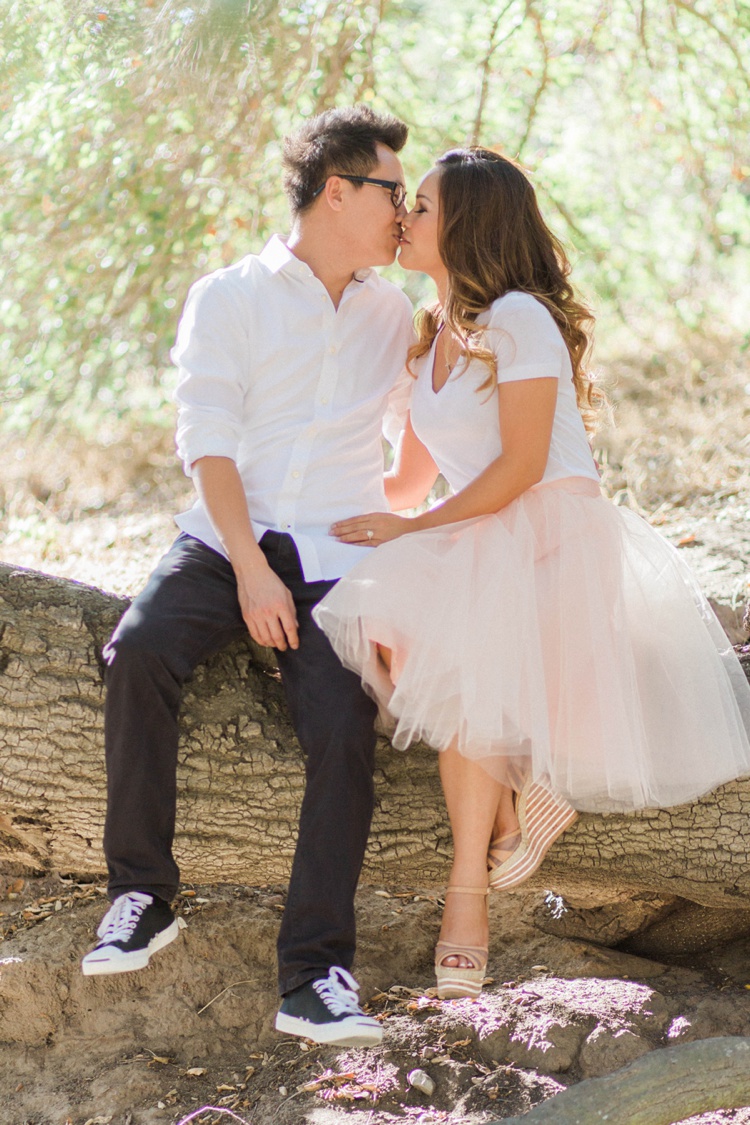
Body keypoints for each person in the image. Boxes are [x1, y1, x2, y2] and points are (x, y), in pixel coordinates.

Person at [313, 147, 750, 1000]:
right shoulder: (430, 335)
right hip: (479, 534)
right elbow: (405, 479)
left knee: (459, 655)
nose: (405, 217)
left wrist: (413, 528)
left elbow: (517, 467)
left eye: (425, 206)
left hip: (549, 534)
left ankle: (464, 904)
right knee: (399, 628)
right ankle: (517, 811)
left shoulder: (519, 318)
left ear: (468, 224)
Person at [81, 105, 417, 1048]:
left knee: (346, 724)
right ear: (338, 192)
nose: (405, 211)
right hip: (226, 534)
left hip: (337, 552)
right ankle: (142, 893)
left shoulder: (395, 316)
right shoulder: (228, 295)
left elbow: (420, 447)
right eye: (395, 191)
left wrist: (415, 525)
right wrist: (248, 573)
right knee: (139, 650)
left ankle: (314, 974)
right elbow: (208, 445)